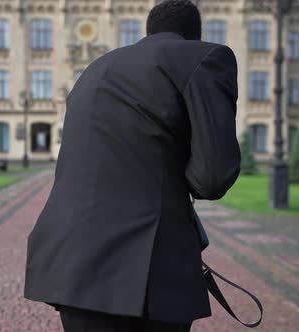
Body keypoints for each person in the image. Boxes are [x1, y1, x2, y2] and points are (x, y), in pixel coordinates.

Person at [24, 0, 241, 331]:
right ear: (194, 36)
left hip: (67, 260)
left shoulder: (96, 69)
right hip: (146, 268)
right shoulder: (204, 58)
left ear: (148, 32)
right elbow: (212, 178)